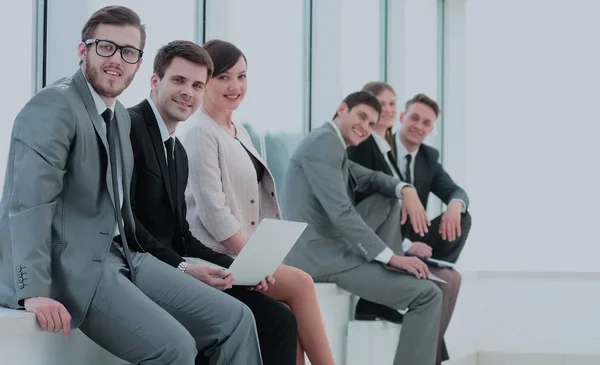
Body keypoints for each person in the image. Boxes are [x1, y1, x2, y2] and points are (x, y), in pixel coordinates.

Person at [0, 6, 261, 365]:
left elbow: (124, 216)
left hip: (126, 256)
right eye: (106, 47)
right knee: (176, 347)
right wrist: (32, 291)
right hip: (76, 268)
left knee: (236, 320)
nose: (117, 60)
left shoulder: (120, 117)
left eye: (129, 52)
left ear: (138, 64)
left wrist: (183, 265)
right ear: (83, 51)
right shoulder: (54, 106)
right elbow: (27, 205)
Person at [128, 39, 297, 365]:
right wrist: (184, 267)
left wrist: (241, 268)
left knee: (278, 317)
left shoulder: (175, 151)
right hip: (145, 267)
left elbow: (181, 234)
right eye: (178, 81)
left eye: (196, 85)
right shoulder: (131, 126)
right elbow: (128, 224)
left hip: (176, 261)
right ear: (154, 81)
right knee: (269, 320)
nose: (188, 92)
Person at [178, 39, 335, 365]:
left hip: (241, 255)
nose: (235, 86)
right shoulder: (198, 132)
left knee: (288, 312)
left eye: (242, 76)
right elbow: (213, 212)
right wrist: (253, 259)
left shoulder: (238, 130)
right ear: (205, 80)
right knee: (301, 284)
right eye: (223, 77)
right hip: (214, 257)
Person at [282, 90, 443, 365]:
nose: (365, 127)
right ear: (342, 108)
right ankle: (387, 272)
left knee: (389, 197)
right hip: (321, 259)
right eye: (362, 117)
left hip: (330, 250)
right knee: (428, 295)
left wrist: (405, 188)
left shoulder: (330, 143)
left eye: (372, 124)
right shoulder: (324, 143)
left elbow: (370, 177)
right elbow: (341, 212)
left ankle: (385, 274)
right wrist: (392, 257)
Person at [347, 82, 464, 365]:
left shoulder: (426, 157)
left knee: (452, 274)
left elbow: (455, 190)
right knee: (443, 286)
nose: (418, 126)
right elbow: (371, 202)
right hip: (380, 242)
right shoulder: (369, 148)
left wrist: (455, 206)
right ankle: (433, 357)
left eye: (427, 123)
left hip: (407, 240)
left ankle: (433, 268)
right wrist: (406, 245)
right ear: (403, 118)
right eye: (414, 118)